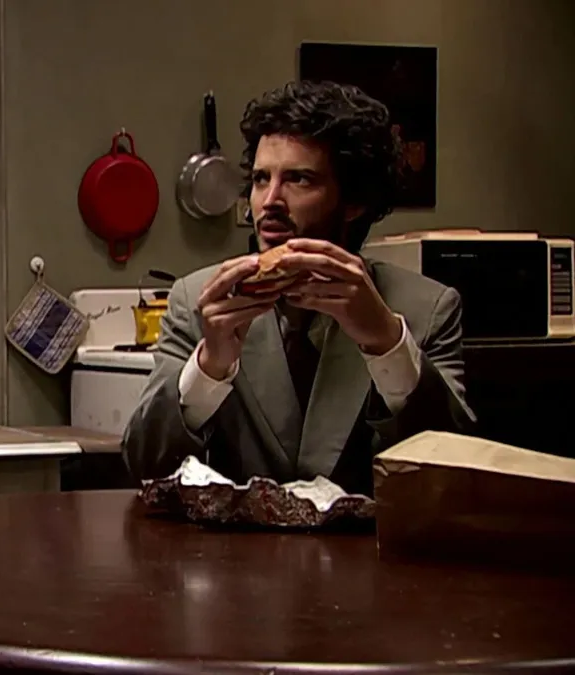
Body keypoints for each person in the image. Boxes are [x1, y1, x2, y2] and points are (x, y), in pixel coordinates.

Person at [122, 80, 475, 496]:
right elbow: (144, 465)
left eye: (299, 179)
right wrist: (209, 367)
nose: (269, 200)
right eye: (260, 179)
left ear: (354, 200)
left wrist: (386, 343)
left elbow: (455, 474)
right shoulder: (201, 301)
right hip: (232, 539)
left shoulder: (426, 308)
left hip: (369, 538)